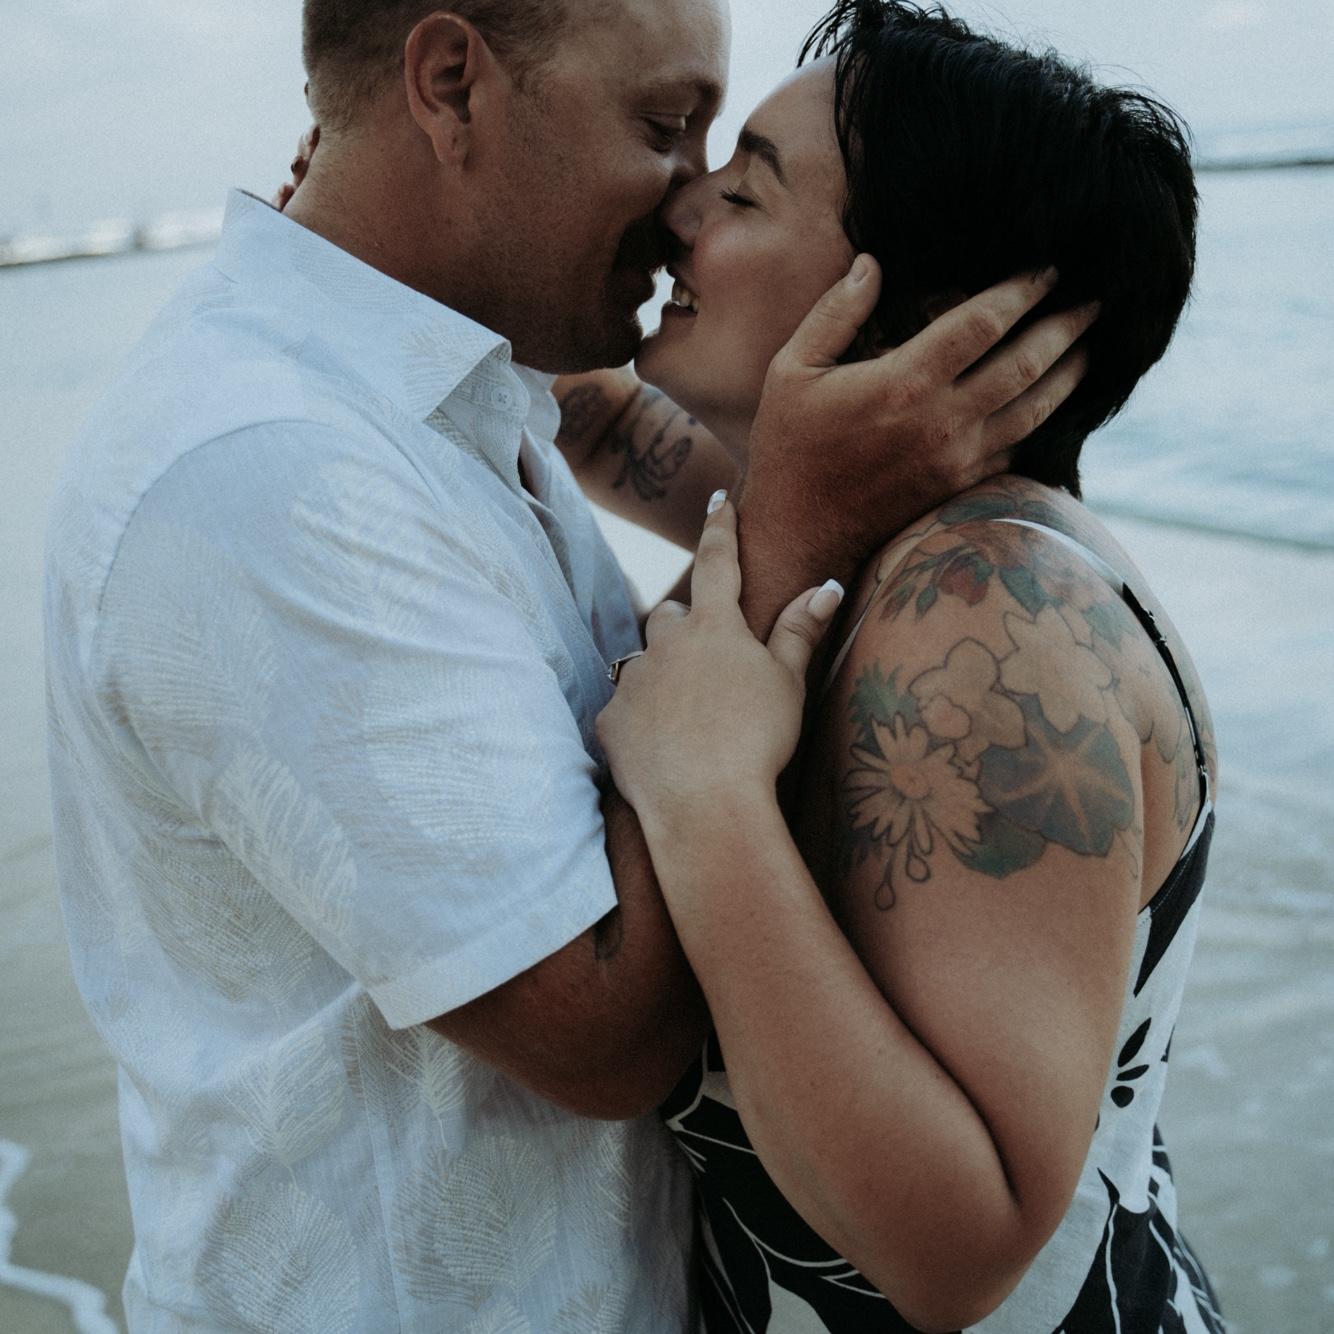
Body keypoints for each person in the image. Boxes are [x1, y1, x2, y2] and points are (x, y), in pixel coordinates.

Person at [42, 0, 1092, 1329]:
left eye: (728, 163)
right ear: (449, 84)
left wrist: (348, 217)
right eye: (664, 126)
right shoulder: (274, 470)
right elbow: (604, 1035)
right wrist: (791, 528)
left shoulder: (454, 382)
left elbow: (609, 424)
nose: (688, 199)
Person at [595, 2, 1227, 1331]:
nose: (680, 209)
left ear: (941, 325)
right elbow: (598, 425)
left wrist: (705, 797)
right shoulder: (870, 532)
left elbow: (959, 1245)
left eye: (744, 192)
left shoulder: (983, 620)